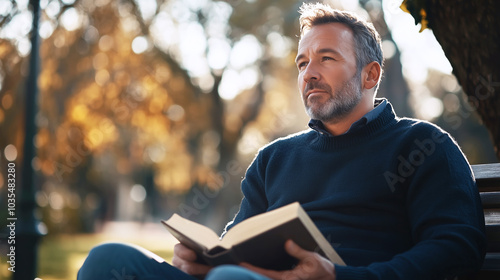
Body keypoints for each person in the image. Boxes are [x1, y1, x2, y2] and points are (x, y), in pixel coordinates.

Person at [77, 3, 486, 280]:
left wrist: (341, 276)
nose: (309, 73)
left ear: (370, 75)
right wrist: (204, 260)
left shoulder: (423, 145)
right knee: (108, 260)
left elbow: (456, 247)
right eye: (302, 62)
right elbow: (235, 247)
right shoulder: (275, 158)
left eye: (326, 58)